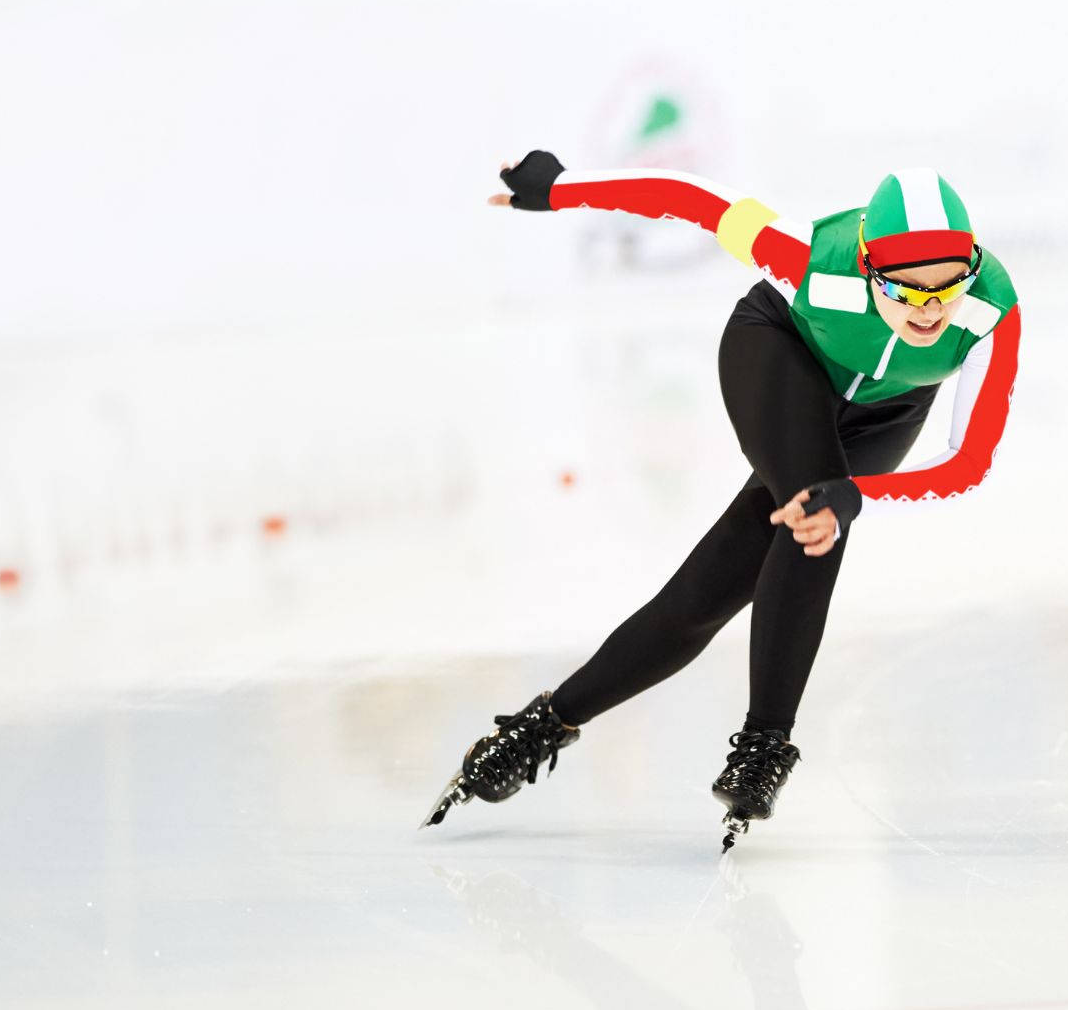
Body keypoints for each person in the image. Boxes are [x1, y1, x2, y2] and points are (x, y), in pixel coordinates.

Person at [421, 152, 1023, 850]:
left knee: (706, 595)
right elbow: (692, 197)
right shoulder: (810, 258)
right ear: (865, 268)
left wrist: (857, 495)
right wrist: (560, 190)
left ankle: (541, 727)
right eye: (906, 289)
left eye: (946, 287)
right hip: (781, 354)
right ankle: (767, 744)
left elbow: (968, 463)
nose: (930, 309)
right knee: (811, 523)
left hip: (885, 415)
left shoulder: (991, 310)